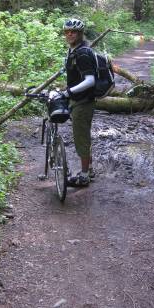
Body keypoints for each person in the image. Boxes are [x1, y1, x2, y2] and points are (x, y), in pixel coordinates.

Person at [61, 18, 96, 187]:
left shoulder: (82, 53)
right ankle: (89, 169)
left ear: (80, 34)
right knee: (84, 136)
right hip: (79, 100)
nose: (69, 34)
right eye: (67, 31)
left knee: (81, 138)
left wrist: (70, 91)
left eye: (73, 32)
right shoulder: (75, 50)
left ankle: (84, 176)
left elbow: (90, 80)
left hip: (83, 102)